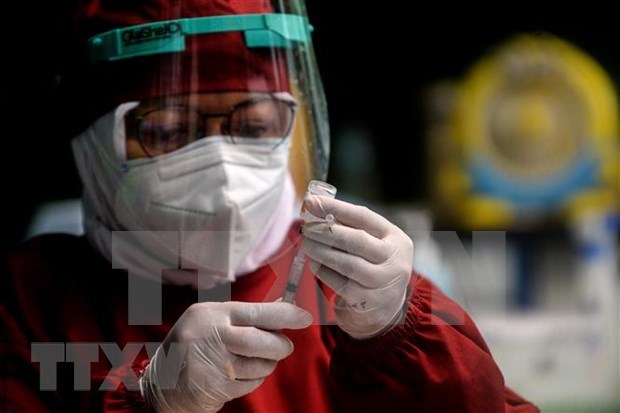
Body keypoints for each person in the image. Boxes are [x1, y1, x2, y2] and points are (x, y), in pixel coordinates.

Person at [0, 0, 539, 412]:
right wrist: (147, 400)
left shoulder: (349, 286)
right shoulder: (34, 300)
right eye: (166, 130)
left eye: (256, 125)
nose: (221, 164)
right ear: (94, 144)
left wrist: (399, 331)